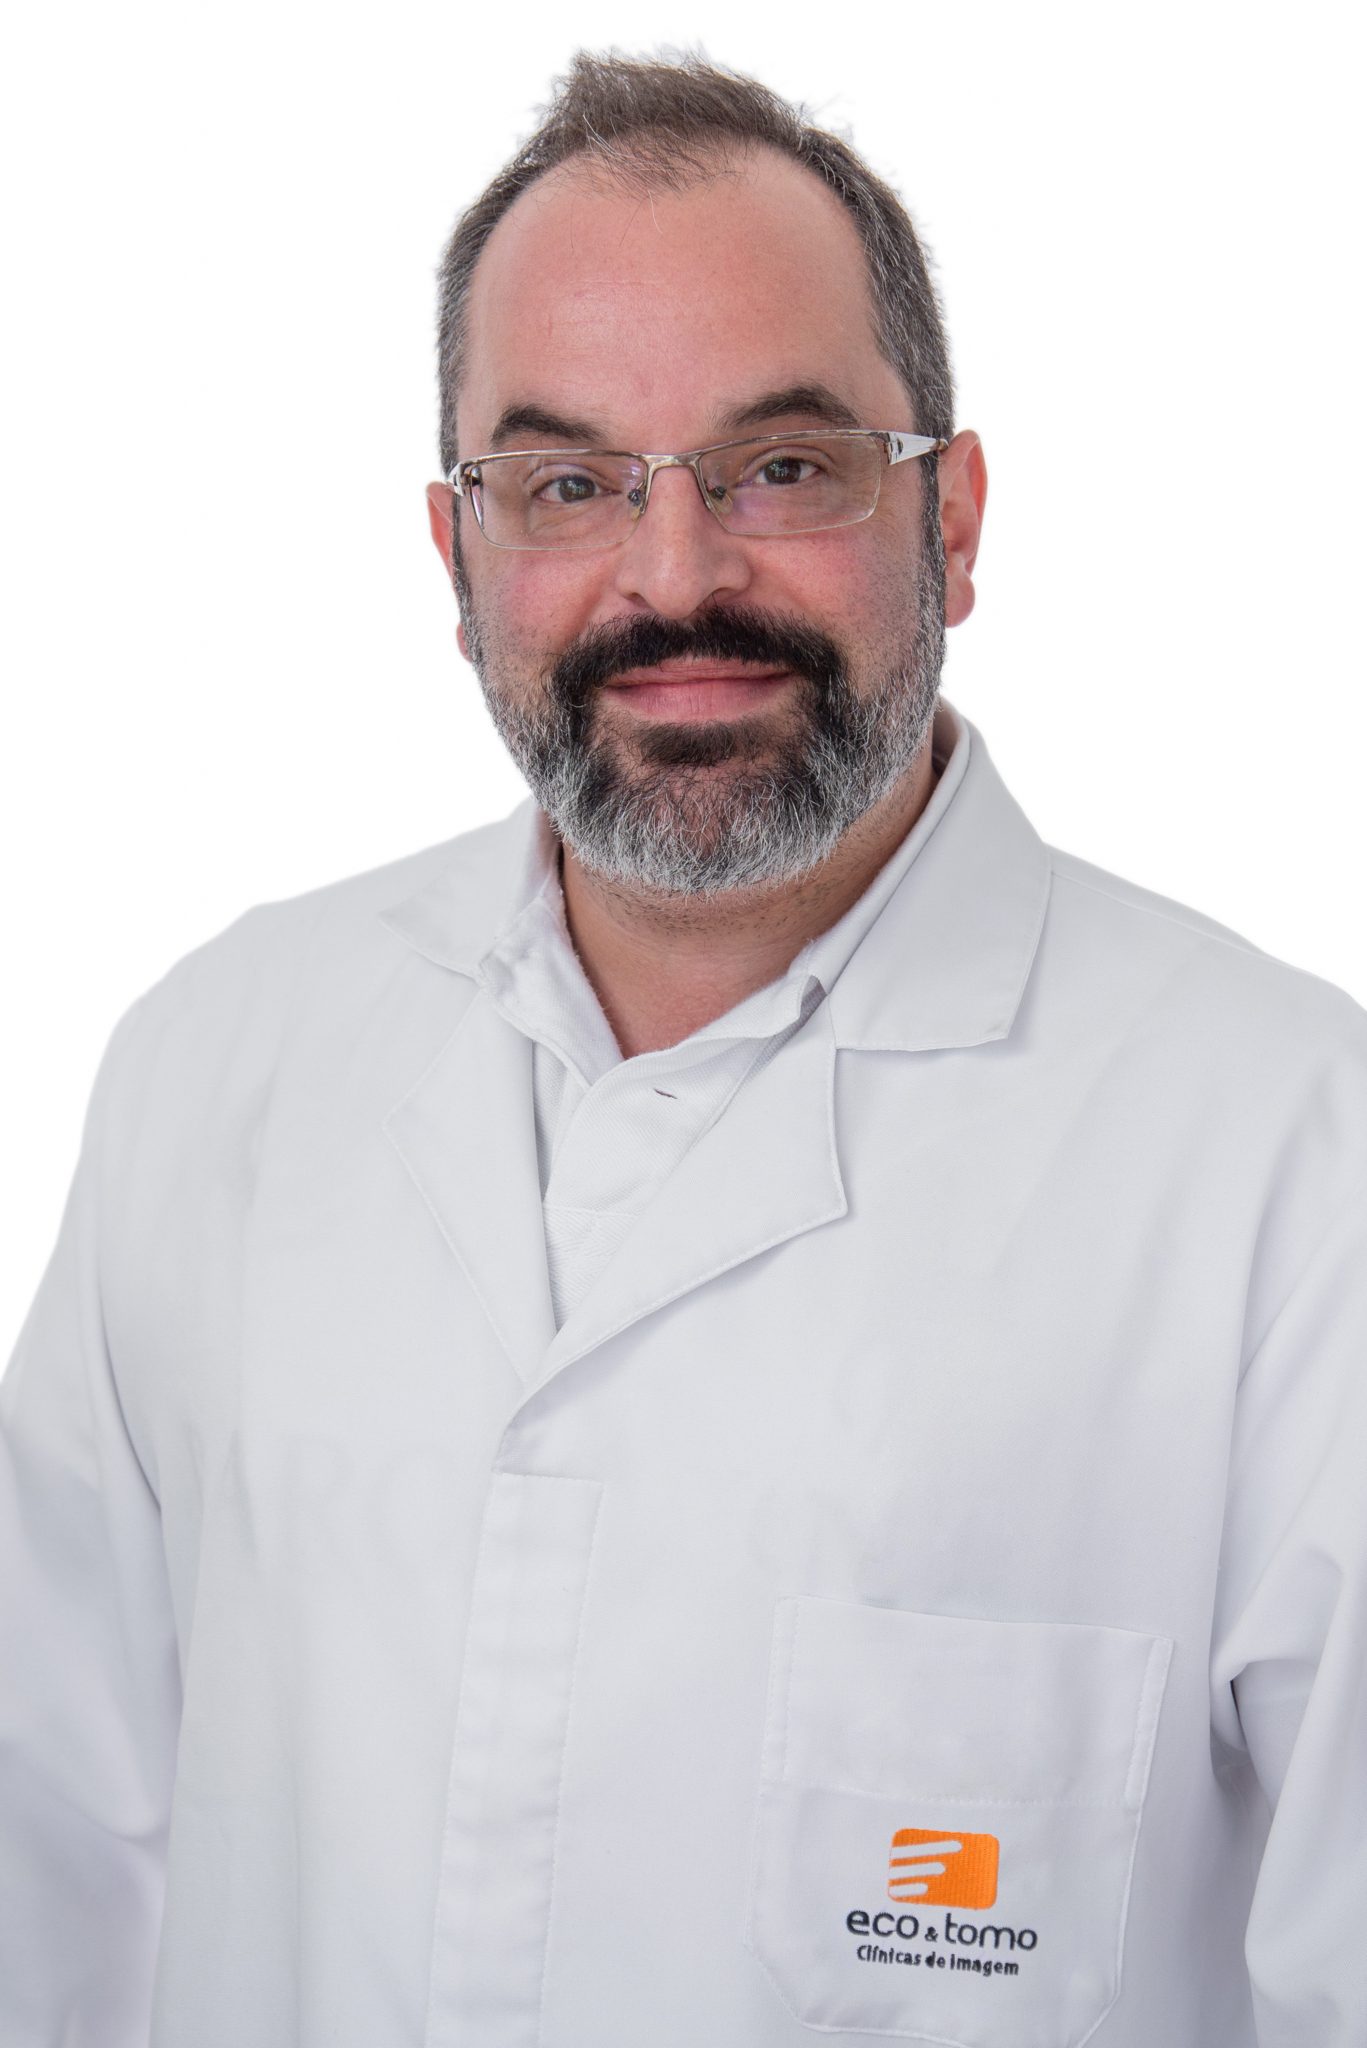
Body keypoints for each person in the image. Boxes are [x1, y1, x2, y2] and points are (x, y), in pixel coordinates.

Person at [1, 46, 1363, 2048]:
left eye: (782, 467)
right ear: (457, 556)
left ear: (954, 519)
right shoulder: (216, 1071)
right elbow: (49, 1883)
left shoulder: (1293, 1163)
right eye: (566, 485)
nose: (672, 575)